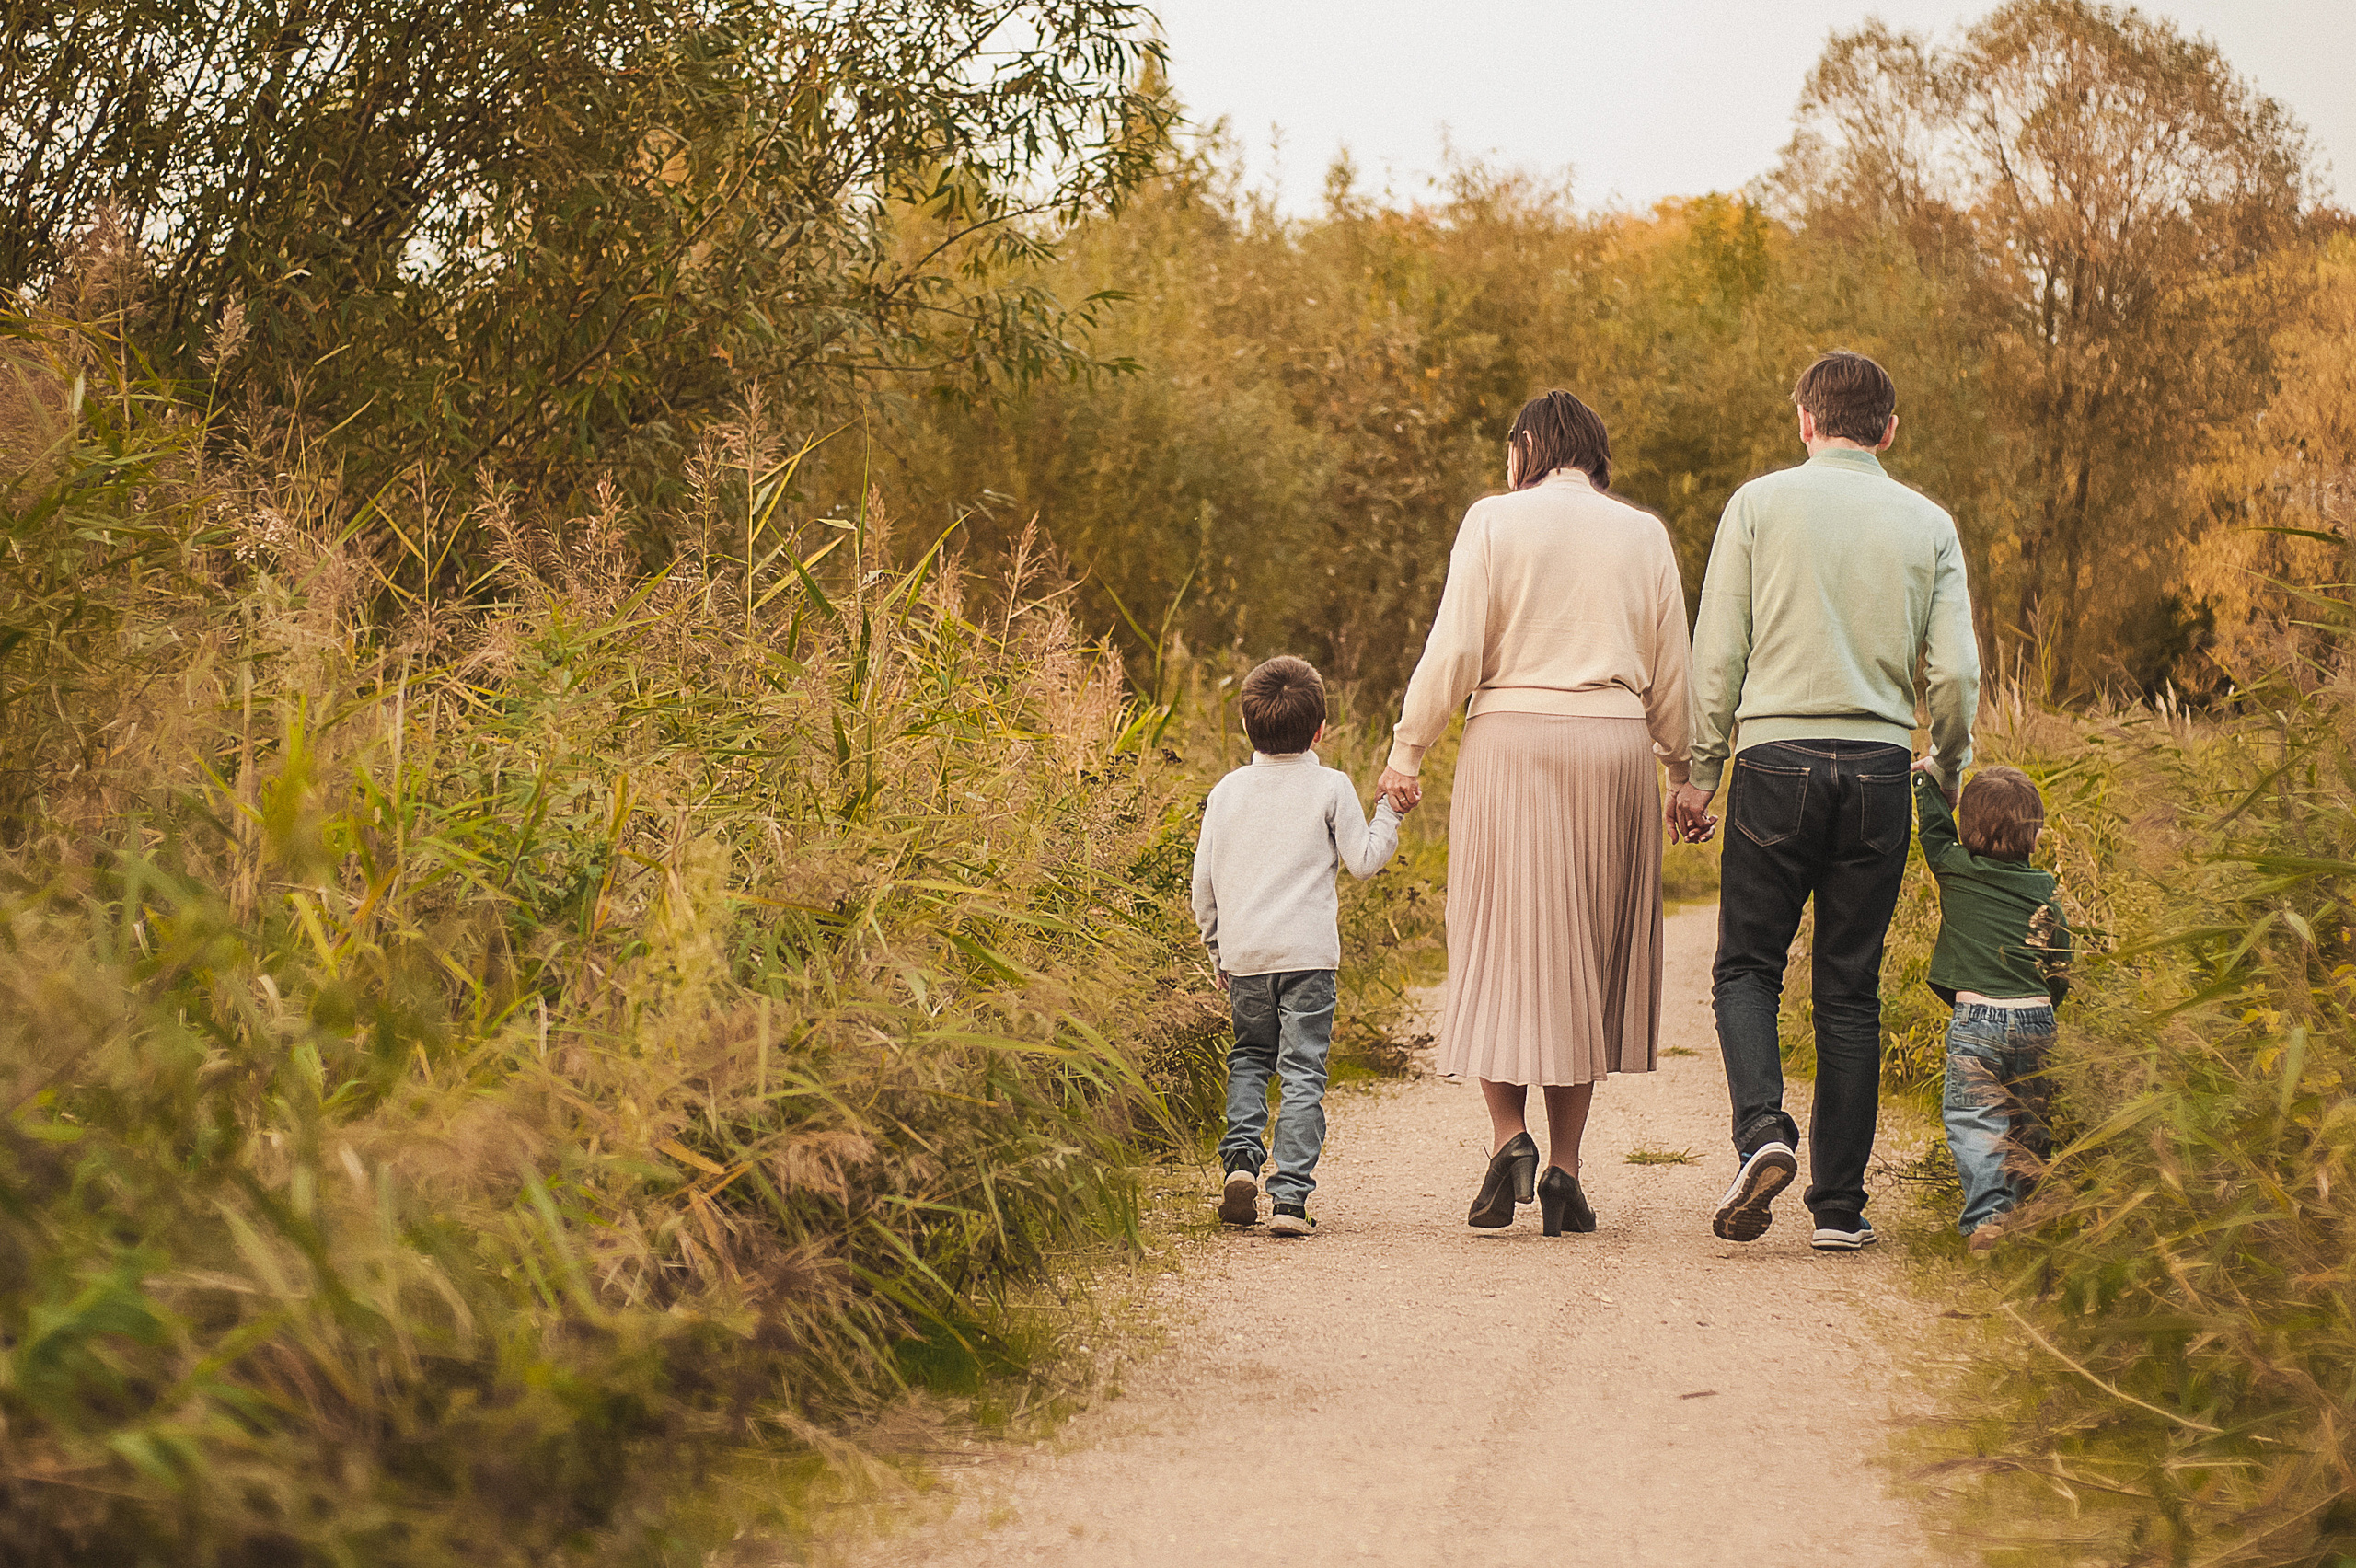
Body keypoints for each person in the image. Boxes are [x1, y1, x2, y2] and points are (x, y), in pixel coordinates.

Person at [1670, 349, 1979, 1252]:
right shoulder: (1926, 524)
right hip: (1882, 768)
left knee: (1746, 970)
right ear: (1889, 430)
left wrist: (1699, 772)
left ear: (1804, 422)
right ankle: (1839, 1210)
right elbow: (1954, 671)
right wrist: (1948, 769)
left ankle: (1763, 1133)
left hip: (1773, 762)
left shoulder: (1758, 506)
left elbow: (1717, 650)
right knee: (1849, 990)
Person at [1377, 390, 1692, 1236]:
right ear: (1594, 455)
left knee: (1499, 942)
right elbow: (1672, 671)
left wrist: (1409, 750)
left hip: (1510, 742)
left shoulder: (1494, 520)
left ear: (1526, 447)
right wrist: (1682, 772)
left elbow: (1454, 650)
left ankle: (1508, 1137)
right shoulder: (1644, 534)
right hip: (1614, 746)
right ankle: (1566, 1170)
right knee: (1583, 951)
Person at [1193, 655, 1408, 1237]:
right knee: (1302, 1071)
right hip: (1309, 958)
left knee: (1249, 1058)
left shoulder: (1227, 791)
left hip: (1246, 958)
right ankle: (1289, 1200)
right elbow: (1362, 862)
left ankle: (1240, 1164)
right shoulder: (1331, 786)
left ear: (1246, 726)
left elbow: (1204, 884)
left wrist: (1219, 954)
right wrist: (1389, 811)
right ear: (1320, 729)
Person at [1911, 759, 2070, 1253]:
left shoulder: (1955, 868)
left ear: (1968, 830)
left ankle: (1989, 1219)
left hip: (1976, 1019)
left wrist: (1926, 782)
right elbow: (2060, 962)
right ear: (2035, 836)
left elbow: (1933, 832)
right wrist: (2049, 1005)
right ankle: (2032, 1212)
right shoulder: (2045, 891)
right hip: (2037, 1019)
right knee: (2032, 1118)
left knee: (1976, 1120)